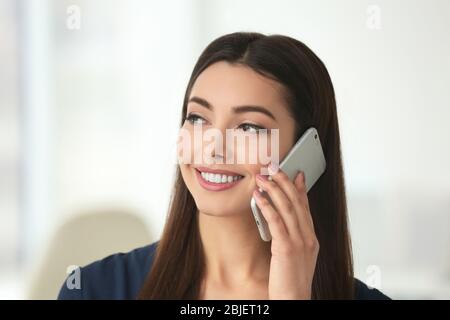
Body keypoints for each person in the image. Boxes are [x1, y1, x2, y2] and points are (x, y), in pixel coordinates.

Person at [58, 32, 390, 300]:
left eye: (248, 127)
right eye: (198, 118)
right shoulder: (93, 290)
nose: (213, 147)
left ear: (305, 153)